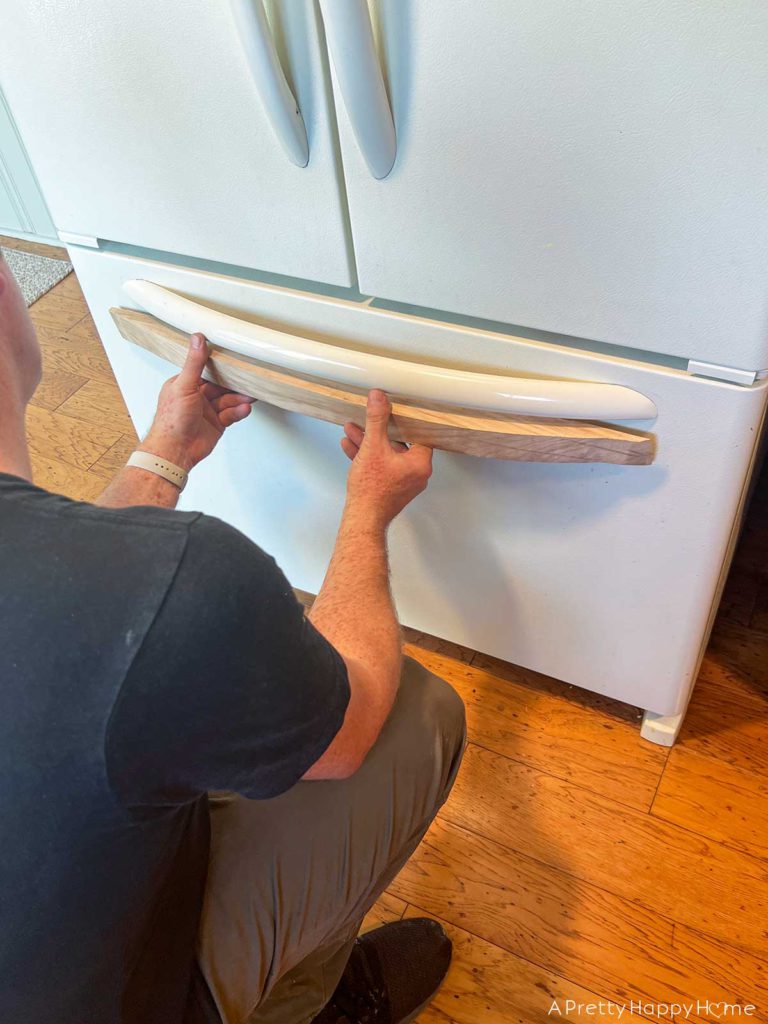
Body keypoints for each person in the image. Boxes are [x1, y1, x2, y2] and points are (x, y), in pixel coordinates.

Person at [0, 249, 466, 1024]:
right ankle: (301, 1006)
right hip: (135, 1002)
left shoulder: (98, 583)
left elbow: (59, 607)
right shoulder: (193, 576)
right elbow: (346, 728)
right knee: (415, 714)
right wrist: (367, 512)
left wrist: (163, 454)